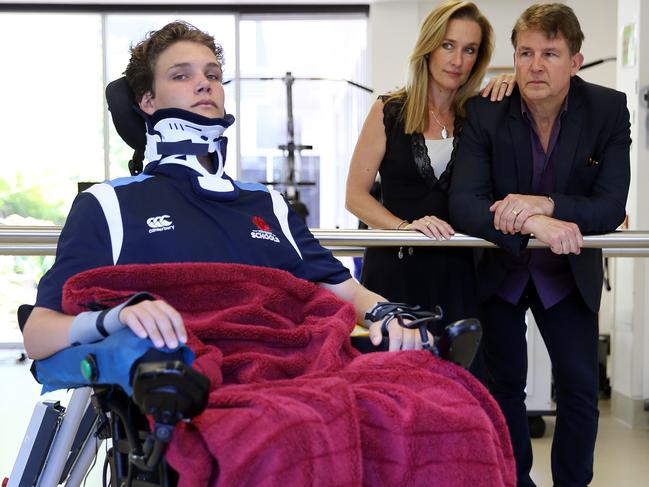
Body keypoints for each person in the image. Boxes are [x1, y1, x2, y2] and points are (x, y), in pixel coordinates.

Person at [22, 21, 428, 360]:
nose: (204, 84)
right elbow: (38, 334)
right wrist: (116, 318)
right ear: (147, 101)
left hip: (290, 370)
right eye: (182, 75)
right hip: (190, 385)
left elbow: (343, 290)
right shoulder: (109, 204)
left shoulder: (266, 203)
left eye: (212, 75)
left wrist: (385, 313)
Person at [448, 3, 631, 486]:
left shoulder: (608, 109)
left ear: (575, 60)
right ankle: (516, 482)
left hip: (566, 272)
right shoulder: (486, 111)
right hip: (500, 269)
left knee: (578, 390)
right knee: (503, 388)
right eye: (524, 52)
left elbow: (611, 205)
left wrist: (546, 206)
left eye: (549, 53)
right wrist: (534, 225)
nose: (534, 65)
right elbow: (465, 203)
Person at [345, 1, 513, 343]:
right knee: (392, 385)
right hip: (395, 270)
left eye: (470, 50)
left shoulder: (479, 117)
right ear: (429, 48)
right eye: (448, 45)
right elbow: (355, 196)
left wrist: (515, 83)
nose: (457, 60)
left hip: (458, 274)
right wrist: (405, 228)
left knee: (458, 384)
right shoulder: (389, 110)